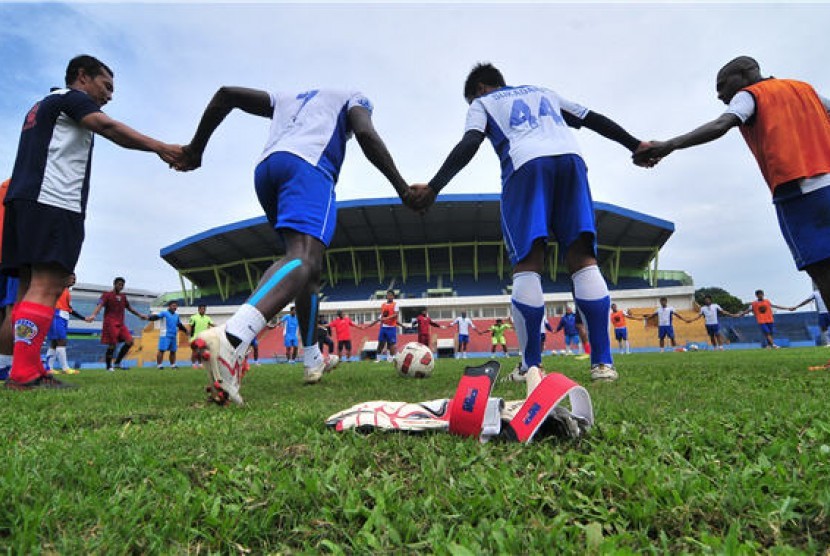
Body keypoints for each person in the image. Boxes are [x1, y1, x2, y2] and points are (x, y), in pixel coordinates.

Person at [408, 63, 650, 382]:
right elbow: (590, 118)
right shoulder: (544, 92)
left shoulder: (483, 103)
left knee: (528, 259)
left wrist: (435, 186)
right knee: (582, 257)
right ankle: (603, 364)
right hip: (572, 162)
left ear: (480, 89)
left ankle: (530, 366)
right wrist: (635, 145)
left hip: (525, 166)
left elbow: (470, 142)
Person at [179, 85, 410, 403]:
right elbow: (366, 134)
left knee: (307, 268)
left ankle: (313, 357)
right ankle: (232, 338)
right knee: (304, 257)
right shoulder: (354, 97)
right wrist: (402, 187)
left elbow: (225, 94)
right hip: (309, 168)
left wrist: (196, 148)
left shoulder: (287, 98)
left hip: (267, 171)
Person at [1, 55, 181, 390]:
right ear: (82, 77)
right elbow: (109, 127)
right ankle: (25, 375)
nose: (109, 96)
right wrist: (161, 148)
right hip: (53, 199)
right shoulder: (71, 99)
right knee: (48, 285)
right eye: (106, 86)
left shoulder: (41, 105)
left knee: (25, 290)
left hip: (21, 200)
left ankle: (19, 368)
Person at [634, 56, 830, 311]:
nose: (719, 94)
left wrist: (670, 145)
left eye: (722, 85)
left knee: (822, 267)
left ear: (746, 73)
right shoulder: (806, 89)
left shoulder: (751, 94)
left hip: (800, 189)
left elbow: (721, 124)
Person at [86, 277, 149, 371]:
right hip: (110, 322)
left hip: (121, 323)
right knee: (112, 344)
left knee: (130, 341)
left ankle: (117, 363)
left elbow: (129, 308)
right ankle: (108, 366)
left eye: (122, 284)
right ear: (114, 284)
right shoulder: (106, 295)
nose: (121, 286)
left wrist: (140, 315)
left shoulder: (123, 297)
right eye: (119, 284)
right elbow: (100, 305)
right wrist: (93, 315)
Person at [44, 272, 85, 375]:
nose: (74, 280)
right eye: (72, 278)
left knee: (54, 342)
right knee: (61, 341)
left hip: (63, 316)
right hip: (56, 315)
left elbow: (69, 309)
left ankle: (48, 368)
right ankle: (65, 368)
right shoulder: (58, 287)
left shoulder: (67, 291)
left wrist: (84, 318)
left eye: (75, 278)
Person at [148, 301, 188, 369]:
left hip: (173, 335)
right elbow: (157, 317)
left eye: (176, 306)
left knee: (173, 351)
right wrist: (148, 318)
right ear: (169, 306)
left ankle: (173, 365)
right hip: (165, 335)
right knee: (161, 350)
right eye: (173, 305)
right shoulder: (164, 313)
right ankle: (159, 365)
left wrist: (186, 331)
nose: (175, 307)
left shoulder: (176, 315)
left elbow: (179, 325)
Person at [368, 290, 400, 363]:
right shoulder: (383, 305)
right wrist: (372, 324)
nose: (389, 296)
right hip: (383, 327)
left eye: (391, 295)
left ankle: (390, 358)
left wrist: (386, 318)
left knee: (391, 343)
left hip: (391, 327)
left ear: (393, 296)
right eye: (388, 295)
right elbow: (382, 315)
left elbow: (395, 315)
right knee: (381, 343)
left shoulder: (395, 305)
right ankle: (378, 358)